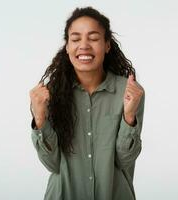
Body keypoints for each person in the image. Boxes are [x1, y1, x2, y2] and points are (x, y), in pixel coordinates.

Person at [29, 6, 145, 200]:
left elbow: (124, 161)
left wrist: (129, 117)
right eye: (75, 39)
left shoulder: (129, 92)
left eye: (93, 38)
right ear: (67, 47)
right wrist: (40, 118)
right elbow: (52, 164)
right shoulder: (49, 94)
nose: (84, 45)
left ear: (107, 45)